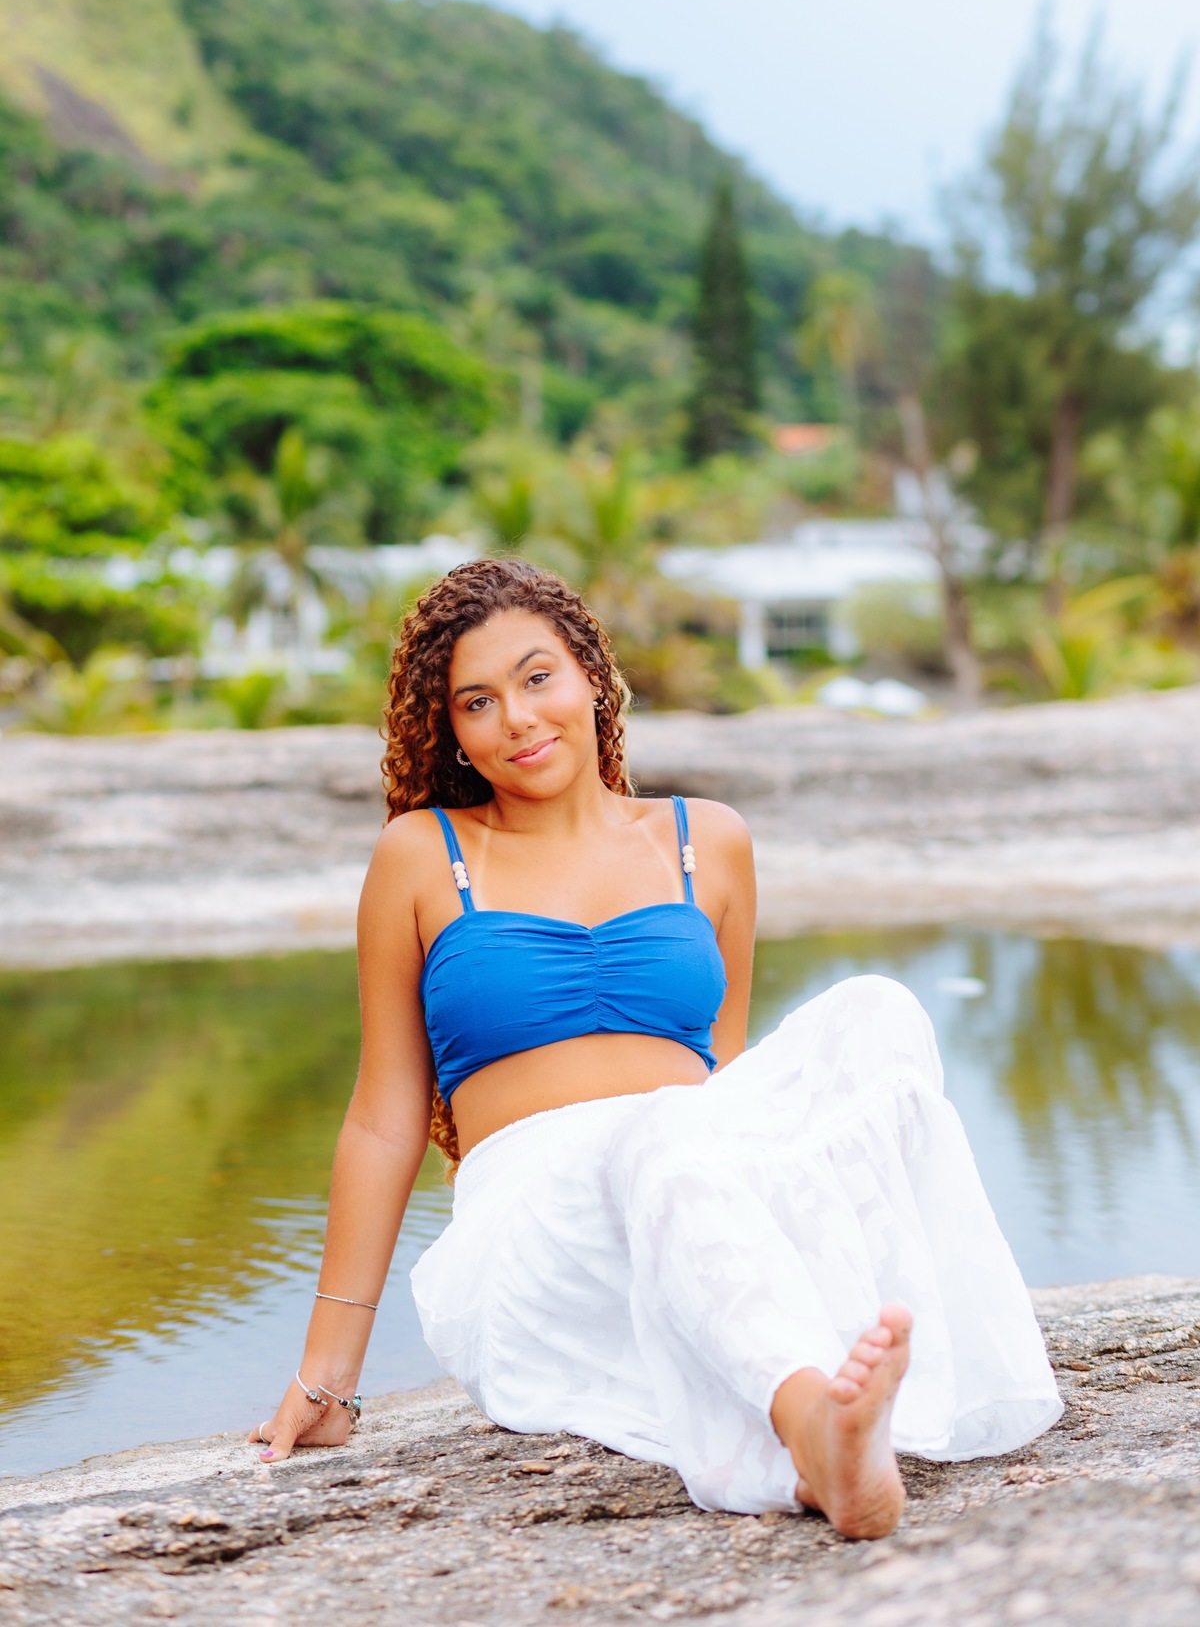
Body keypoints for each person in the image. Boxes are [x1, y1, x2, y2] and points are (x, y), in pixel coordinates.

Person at [251, 557, 1061, 1537]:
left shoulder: (706, 841)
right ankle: (818, 1431)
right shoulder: (424, 856)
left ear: (594, 675)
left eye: (537, 676)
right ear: (451, 728)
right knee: (670, 1133)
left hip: (683, 1177)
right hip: (539, 1230)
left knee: (877, 1011)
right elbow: (384, 1120)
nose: (517, 718)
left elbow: (727, 1084)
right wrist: (327, 1377)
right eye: (477, 700)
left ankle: (846, 1380)